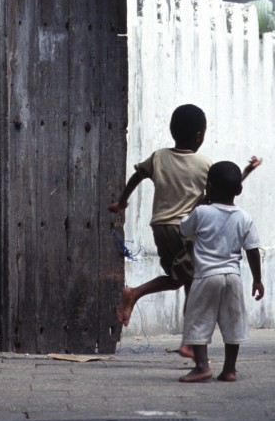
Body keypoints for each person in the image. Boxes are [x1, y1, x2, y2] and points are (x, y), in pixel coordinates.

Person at [108, 103, 261, 357]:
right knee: (193, 284)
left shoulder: (158, 157)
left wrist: (123, 202)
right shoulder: (203, 164)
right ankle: (189, 341)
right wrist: (244, 173)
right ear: (200, 135)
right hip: (187, 231)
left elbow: (137, 176)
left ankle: (134, 293)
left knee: (178, 279)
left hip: (160, 228)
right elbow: (225, 187)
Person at [177, 160, 264, 383]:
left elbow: (184, 230)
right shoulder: (244, 217)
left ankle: (202, 366)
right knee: (232, 321)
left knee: (198, 319)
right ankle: (229, 369)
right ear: (239, 190)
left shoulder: (203, 212)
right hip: (233, 277)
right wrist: (257, 280)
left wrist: (196, 203)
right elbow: (253, 251)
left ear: (208, 188)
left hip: (207, 276)